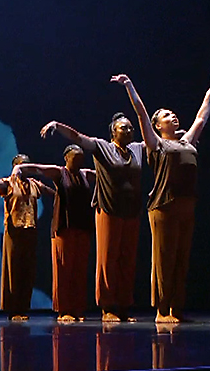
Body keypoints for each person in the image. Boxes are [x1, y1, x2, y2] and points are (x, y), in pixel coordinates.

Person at [111, 73, 210, 323]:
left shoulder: (187, 141)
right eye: (167, 116)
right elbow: (142, 114)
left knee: (181, 257)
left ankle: (177, 307)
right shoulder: (156, 144)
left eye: (173, 114)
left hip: (186, 205)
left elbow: (202, 116)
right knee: (164, 258)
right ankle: (162, 310)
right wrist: (129, 86)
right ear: (158, 126)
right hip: (163, 206)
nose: (173, 116)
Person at [40, 111, 145, 322]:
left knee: (128, 260)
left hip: (131, 210)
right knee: (108, 259)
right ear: (113, 132)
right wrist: (57, 125)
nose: (129, 130)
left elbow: (155, 139)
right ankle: (108, 307)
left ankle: (124, 306)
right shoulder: (102, 146)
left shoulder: (136, 149)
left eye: (131, 127)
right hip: (108, 208)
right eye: (124, 127)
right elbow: (78, 137)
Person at [0, 154, 55, 321]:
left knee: (27, 270)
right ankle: (14, 309)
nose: (25, 168)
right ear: (15, 167)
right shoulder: (7, 183)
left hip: (30, 231)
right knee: (13, 269)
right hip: (14, 232)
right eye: (22, 165)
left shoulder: (34, 184)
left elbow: (53, 194)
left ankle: (24, 307)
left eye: (28, 165)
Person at [13, 145, 96, 322]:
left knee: (79, 269)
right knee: (64, 269)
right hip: (64, 227)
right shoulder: (60, 173)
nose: (79, 160)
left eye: (81, 157)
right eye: (75, 157)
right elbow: (37, 168)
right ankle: (64, 310)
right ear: (66, 157)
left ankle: (78, 308)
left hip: (82, 226)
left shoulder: (85, 174)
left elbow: (105, 175)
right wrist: (19, 168)